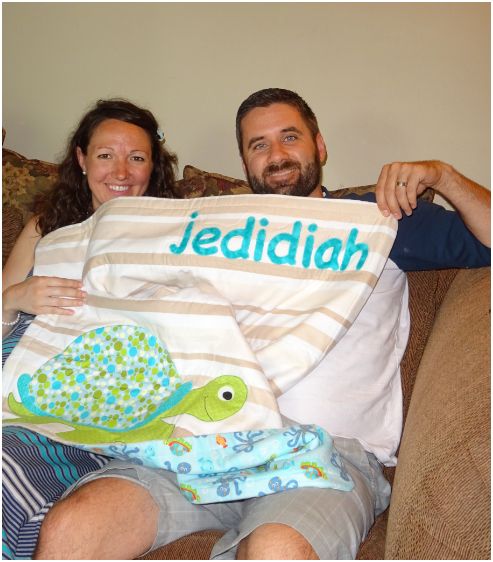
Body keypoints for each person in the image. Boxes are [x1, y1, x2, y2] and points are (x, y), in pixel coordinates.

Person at [27, 90, 491, 560]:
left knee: (277, 549)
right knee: (74, 526)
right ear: (245, 162)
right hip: (196, 447)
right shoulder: (211, 231)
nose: (276, 155)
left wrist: (443, 176)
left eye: (289, 137)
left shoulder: (378, 219)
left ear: (320, 145)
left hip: (322, 456)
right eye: (259, 145)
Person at [2, 98, 178, 560]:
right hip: (13, 371)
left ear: (153, 166)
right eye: (105, 155)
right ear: (81, 159)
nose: (120, 171)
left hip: (81, 412)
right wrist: (14, 299)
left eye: (136, 157)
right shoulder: (46, 228)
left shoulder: (176, 237)